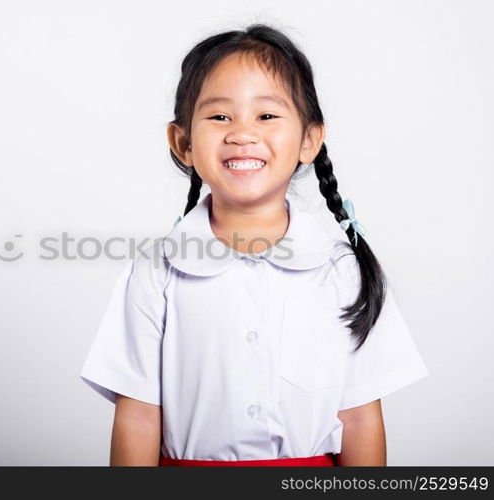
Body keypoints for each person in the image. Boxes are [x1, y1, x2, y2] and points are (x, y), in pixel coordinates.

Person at [80, 23, 428, 466]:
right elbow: (139, 416)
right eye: (219, 116)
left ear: (309, 139)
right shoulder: (156, 269)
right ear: (182, 142)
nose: (242, 133)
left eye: (266, 116)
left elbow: (360, 418)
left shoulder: (342, 269)